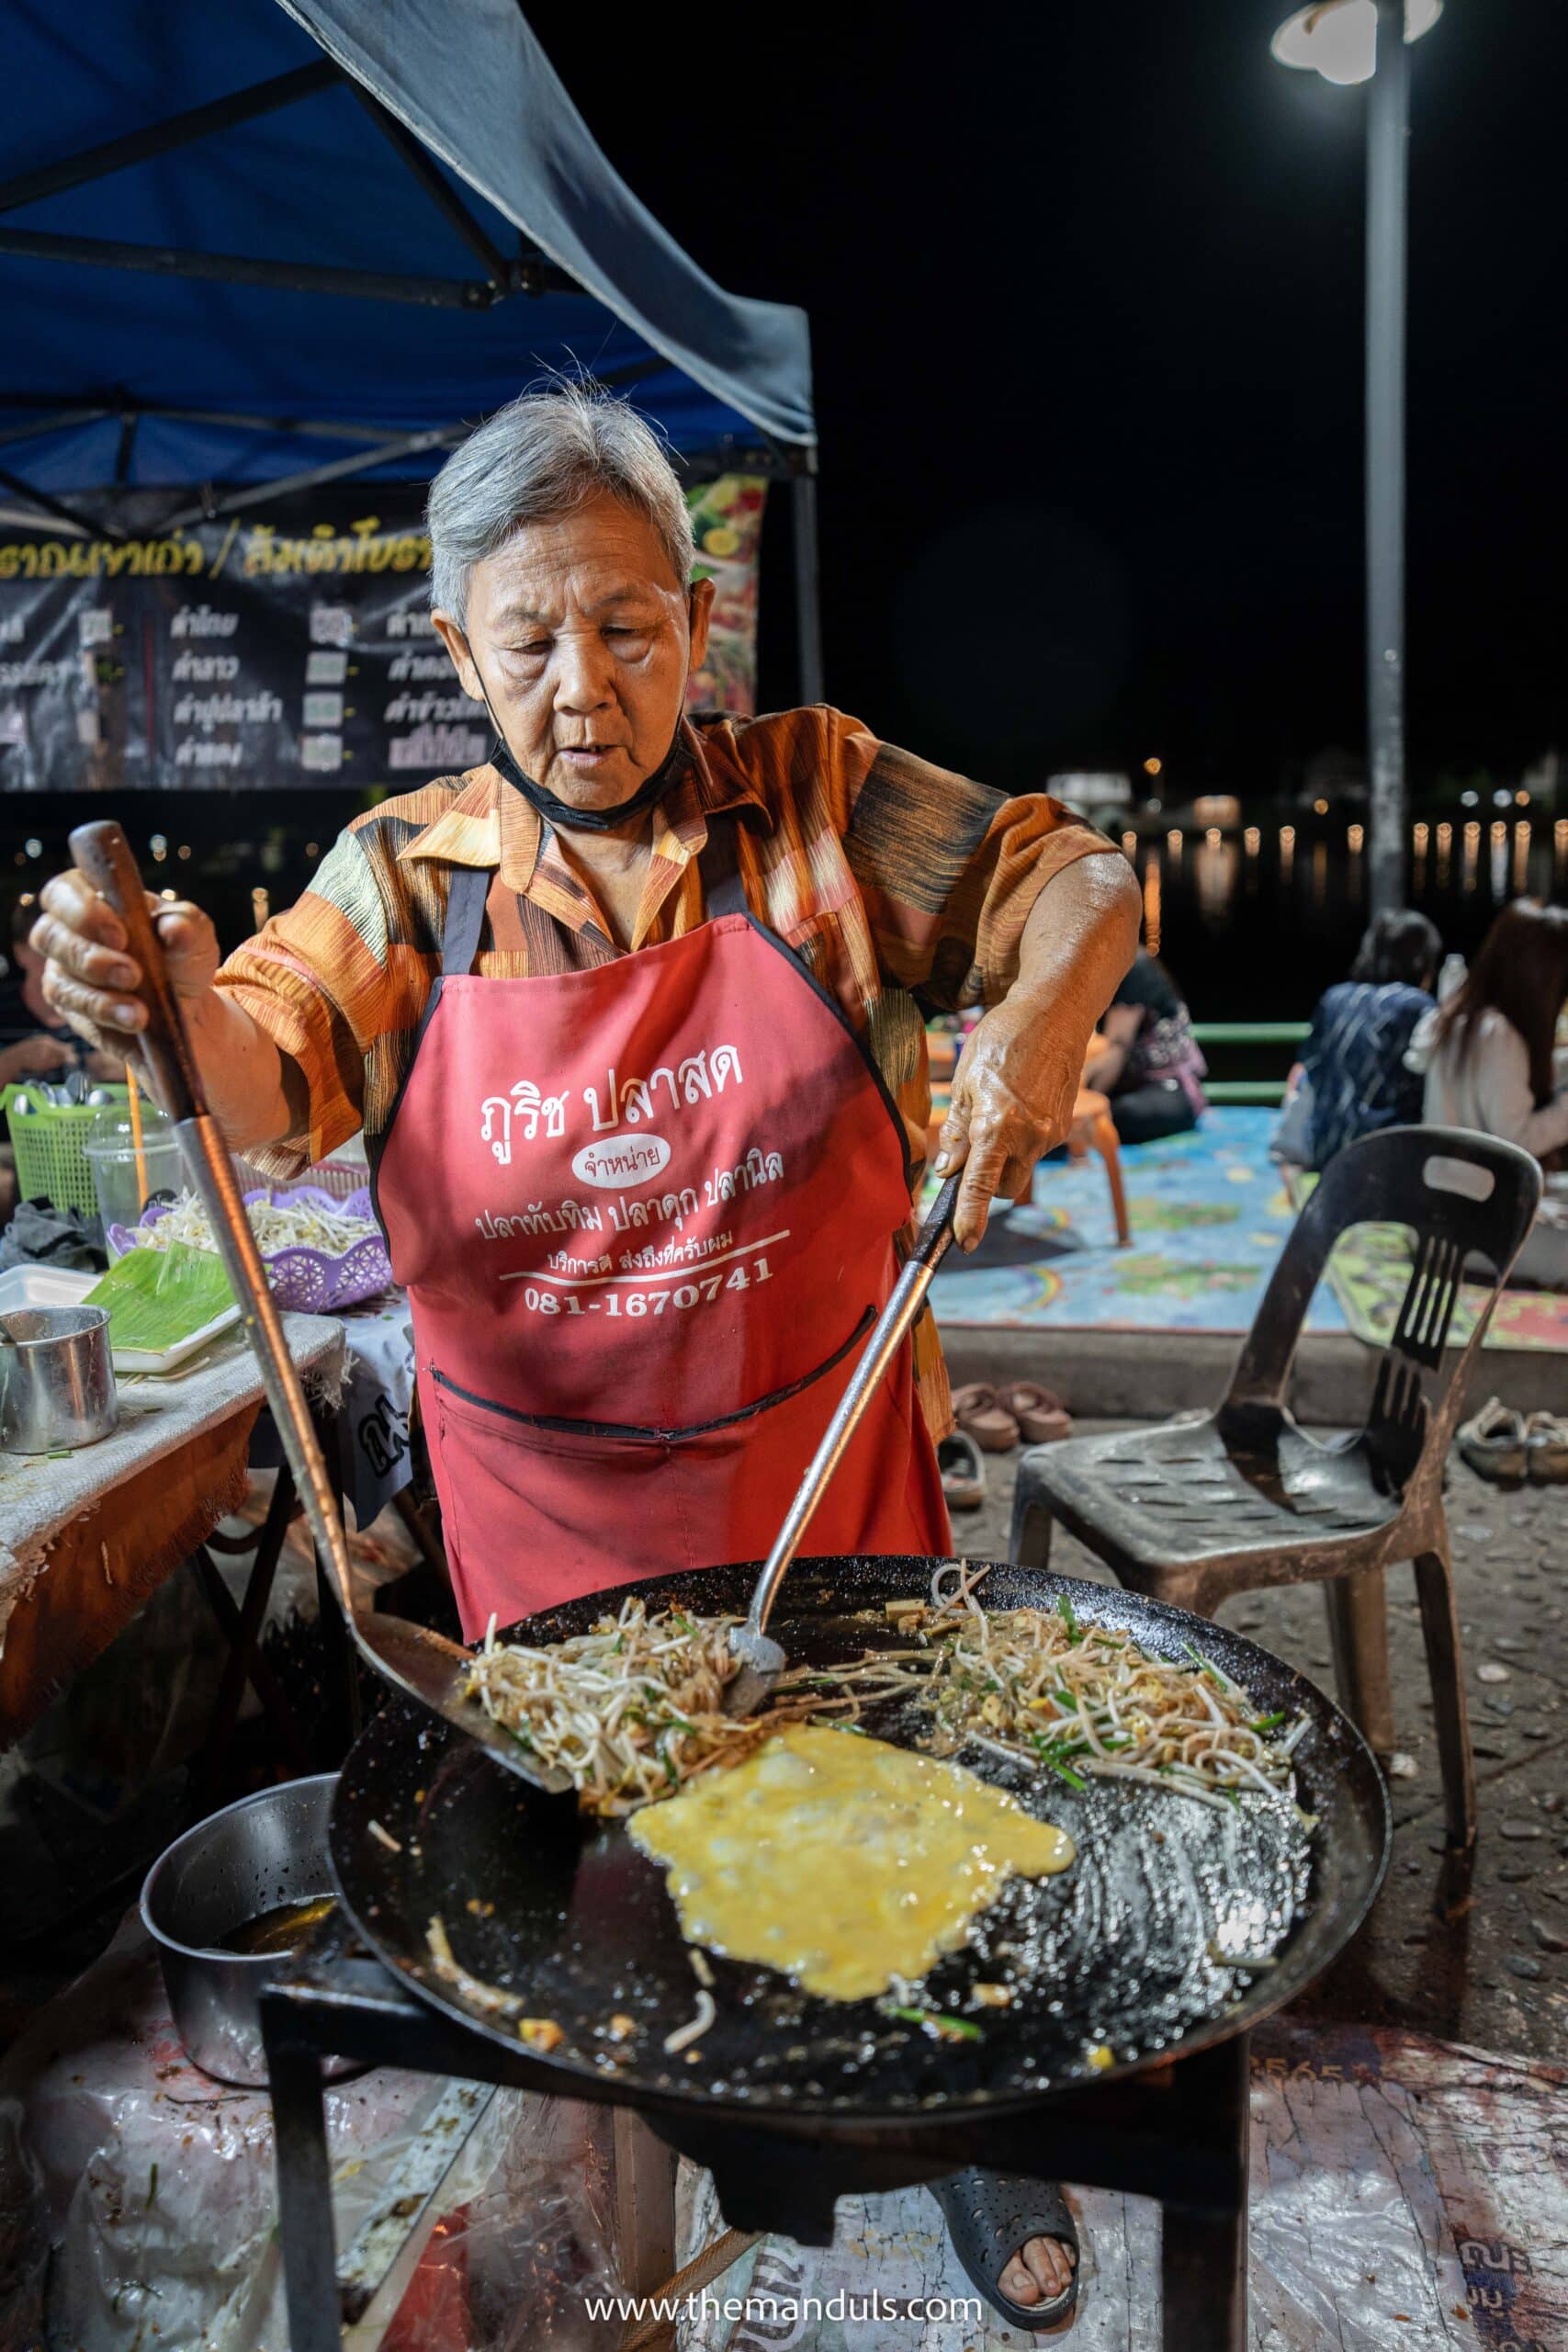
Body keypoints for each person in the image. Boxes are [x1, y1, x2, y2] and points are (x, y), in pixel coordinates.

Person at [33, 381, 1141, 2332]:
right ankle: (693, 2161)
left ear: (694, 619)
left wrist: (1040, 1019)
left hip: (832, 1501)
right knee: (647, 1921)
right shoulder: (399, 878)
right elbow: (255, 1070)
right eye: (527, 636)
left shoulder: (811, 795)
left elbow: (1080, 881)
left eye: (625, 626)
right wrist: (158, 1001)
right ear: (456, 647)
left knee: (920, 1855)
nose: (581, 684)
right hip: (557, 1569)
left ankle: (970, 2132)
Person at [1405, 899, 1568, 1163]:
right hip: (1477, 1194)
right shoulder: (1498, 1036)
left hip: (1441, 1181)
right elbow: (1517, 1139)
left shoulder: (1459, 1017)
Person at [1287, 909, 1441, 1170]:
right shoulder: (1417, 1006)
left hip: (1327, 1149)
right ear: (1421, 961)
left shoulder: (1334, 998)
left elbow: (1307, 1066)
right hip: (1386, 1155)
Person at [1082, 947, 1206, 1143]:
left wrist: (1083, 1106)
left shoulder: (1131, 965)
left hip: (1170, 1089)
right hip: (1133, 1085)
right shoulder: (1105, 967)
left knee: (1112, 1116)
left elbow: (1116, 1050)